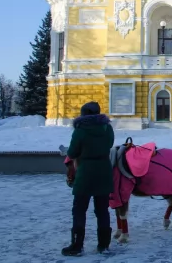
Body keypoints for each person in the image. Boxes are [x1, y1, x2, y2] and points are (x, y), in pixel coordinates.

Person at [61, 101, 115, 256]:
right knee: (102, 210)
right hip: (104, 171)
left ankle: (77, 246)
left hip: (85, 173)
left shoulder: (80, 130)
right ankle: (103, 245)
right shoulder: (107, 128)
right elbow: (110, 144)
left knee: (79, 210)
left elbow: (72, 152)